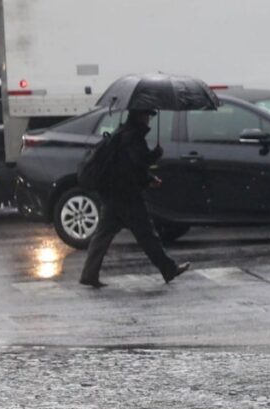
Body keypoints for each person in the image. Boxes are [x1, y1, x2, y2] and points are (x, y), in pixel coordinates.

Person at [79, 109, 189, 288]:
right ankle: (169, 269)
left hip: (113, 193)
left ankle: (89, 274)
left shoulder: (122, 132)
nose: (150, 119)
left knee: (103, 235)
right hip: (127, 196)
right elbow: (137, 163)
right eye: (148, 115)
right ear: (140, 116)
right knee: (147, 235)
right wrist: (155, 155)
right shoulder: (133, 136)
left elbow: (127, 167)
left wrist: (148, 179)